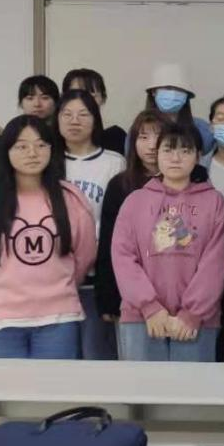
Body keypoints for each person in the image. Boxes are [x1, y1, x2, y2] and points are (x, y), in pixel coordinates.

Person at [0, 115, 96, 360]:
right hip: (1, 320)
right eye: (21, 146)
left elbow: (84, 254)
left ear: (52, 149)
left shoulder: (71, 198)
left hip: (58, 317)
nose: (32, 153)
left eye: (41, 145)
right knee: (3, 386)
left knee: (54, 385)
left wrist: (61, 286)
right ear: (6, 151)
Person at [111, 122, 224, 362]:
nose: (176, 158)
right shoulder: (135, 201)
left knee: (191, 386)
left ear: (198, 156)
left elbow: (215, 263)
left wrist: (192, 313)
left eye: (185, 151)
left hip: (197, 320)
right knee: (143, 385)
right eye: (168, 150)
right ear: (157, 154)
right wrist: (150, 307)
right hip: (142, 317)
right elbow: (123, 258)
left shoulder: (214, 202)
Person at [57, 89, 125, 361]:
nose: (74, 121)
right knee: (60, 358)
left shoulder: (114, 162)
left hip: (97, 274)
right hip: (55, 273)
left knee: (96, 354)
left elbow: (118, 221)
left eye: (83, 114)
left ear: (96, 119)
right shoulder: (47, 159)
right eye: (67, 114)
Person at [94, 110, 164, 328]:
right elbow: (108, 243)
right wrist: (108, 298)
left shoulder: (187, 182)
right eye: (143, 137)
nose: (152, 145)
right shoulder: (120, 185)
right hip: (130, 295)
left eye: (159, 136)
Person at [144, 64, 213, 156]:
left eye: (178, 89)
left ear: (186, 95)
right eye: (167, 88)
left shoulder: (202, 130)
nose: (173, 94)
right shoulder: (139, 130)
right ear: (153, 92)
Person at [61, 68, 126, 156]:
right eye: (76, 94)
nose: (83, 101)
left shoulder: (116, 138)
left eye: (91, 95)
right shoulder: (51, 140)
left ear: (103, 98)